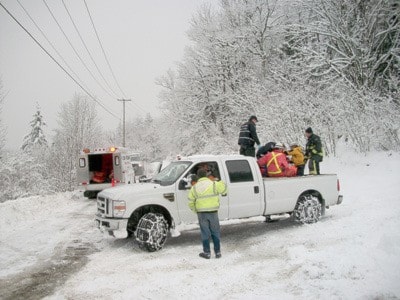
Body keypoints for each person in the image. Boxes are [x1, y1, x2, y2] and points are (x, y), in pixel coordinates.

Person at [188, 169, 227, 259]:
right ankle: (218, 252)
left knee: (205, 232)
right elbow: (224, 188)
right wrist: (219, 179)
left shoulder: (194, 187)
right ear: (206, 175)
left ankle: (207, 253)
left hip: (201, 213)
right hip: (213, 212)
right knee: (215, 232)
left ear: (198, 176)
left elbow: (190, 201)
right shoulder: (213, 184)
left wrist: (195, 210)